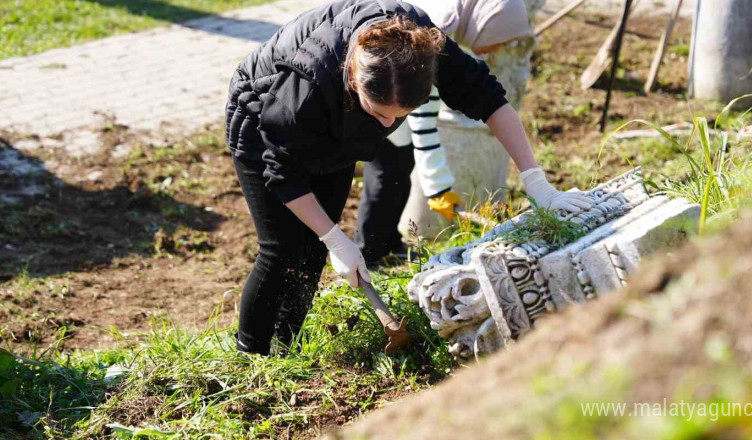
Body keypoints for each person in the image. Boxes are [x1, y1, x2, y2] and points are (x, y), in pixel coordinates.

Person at [225, 0, 592, 355]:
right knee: (283, 248)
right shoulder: (307, 82)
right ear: (354, 76)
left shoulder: (423, 45)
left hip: (337, 133)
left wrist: (536, 181)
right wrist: (335, 237)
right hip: (262, 126)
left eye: (401, 115)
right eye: (380, 112)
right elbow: (283, 170)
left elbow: (491, 100)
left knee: (312, 252)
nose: (389, 124)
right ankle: (252, 353)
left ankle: (286, 345)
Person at [354, 0, 536, 265]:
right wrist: (437, 187)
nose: (493, 52)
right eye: (493, 43)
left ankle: (388, 242)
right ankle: (367, 251)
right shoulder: (425, 38)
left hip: (393, 104)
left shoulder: (447, 27)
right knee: (386, 176)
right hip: (379, 100)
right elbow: (422, 119)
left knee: (399, 170)